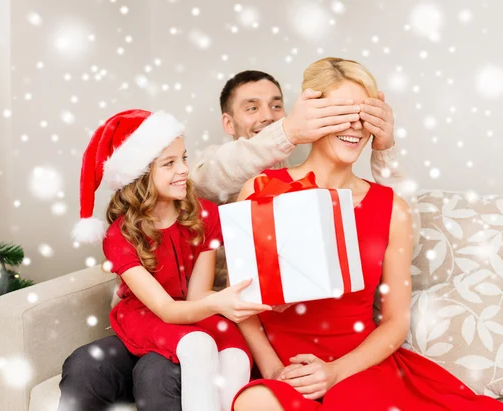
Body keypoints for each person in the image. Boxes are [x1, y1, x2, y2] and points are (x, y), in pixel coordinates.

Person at [58, 70, 418, 411]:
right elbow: (213, 176)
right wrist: (287, 130)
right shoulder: (212, 173)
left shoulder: (298, 174)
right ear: (227, 123)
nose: (267, 116)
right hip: (179, 317)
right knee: (87, 364)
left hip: (219, 319)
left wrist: (381, 147)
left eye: (276, 105)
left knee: (159, 372)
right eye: (252, 107)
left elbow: (389, 214)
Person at [230, 57, 503, 411]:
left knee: (348, 402)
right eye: (341, 112)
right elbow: (241, 301)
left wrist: (335, 372)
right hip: (284, 369)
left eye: (364, 114)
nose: (355, 126)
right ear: (313, 114)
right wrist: (274, 367)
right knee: (252, 403)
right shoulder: (262, 189)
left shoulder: (392, 209)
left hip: (358, 367)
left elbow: (394, 323)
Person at [68, 109, 272, 411]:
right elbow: (164, 308)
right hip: (146, 316)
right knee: (197, 345)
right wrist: (217, 304)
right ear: (139, 176)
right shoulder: (119, 235)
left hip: (192, 311)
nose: (184, 170)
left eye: (184, 158)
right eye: (169, 163)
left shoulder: (204, 215)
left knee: (235, 352)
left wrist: (230, 299)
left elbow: (198, 296)